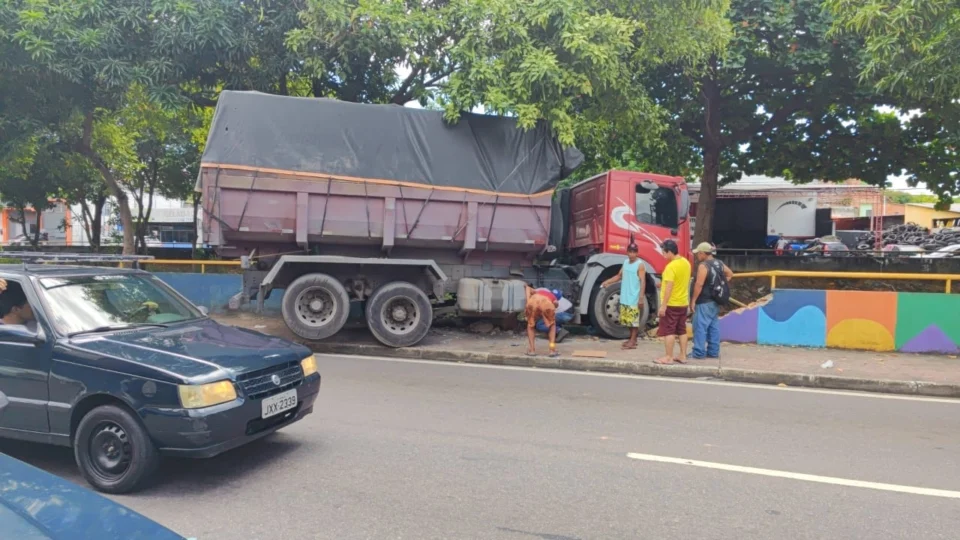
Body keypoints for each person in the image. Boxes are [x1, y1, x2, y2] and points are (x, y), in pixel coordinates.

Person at [689, 242, 733, 360]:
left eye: (698, 254)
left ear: (703, 253)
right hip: (715, 300)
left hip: (704, 301)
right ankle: (713, 352)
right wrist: (720, 285)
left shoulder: (703, 266)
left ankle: (698, 352)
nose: (697, 256)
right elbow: (730, 274)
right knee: (714, 326)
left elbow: (699, 284)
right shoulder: (719, 263)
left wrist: (693, 300)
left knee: (700, 327)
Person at [600, 243, 646, 350]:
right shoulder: (625, 262)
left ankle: (633, 340)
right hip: (625, 295)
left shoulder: (640, 264)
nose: (632, 254)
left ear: (637, 253)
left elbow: (643, 281)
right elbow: (619, 276)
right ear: (627, 252)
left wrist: (641, 297)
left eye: (634, 252)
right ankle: (632, 339)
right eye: (630, 251)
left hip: (634, 296)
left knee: (633, 320)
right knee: (628, 320)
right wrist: (608, 282)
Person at [654, 239, 691, 365]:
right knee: (682, 330)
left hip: (671, 304)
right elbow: (680, 281)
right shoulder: (686, 263)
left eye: (664, 253)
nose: (663, 255)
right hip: (683, 302)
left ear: (670, 252)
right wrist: (662, 284)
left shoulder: (670, 267)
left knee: (669, 331)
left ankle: (668, 357)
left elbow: (670, 286)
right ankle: (683, 355)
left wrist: (663, 306)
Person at [524, 285, 559, 357]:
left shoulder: (539, 291)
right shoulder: (554, 298)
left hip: (533, 301)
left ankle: (532, 350)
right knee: (552, 325)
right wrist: (555, 305)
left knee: (530, 325)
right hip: (546, 303)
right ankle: (552, 350)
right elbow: (555, 303)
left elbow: (527, 287)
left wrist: (528, 301)